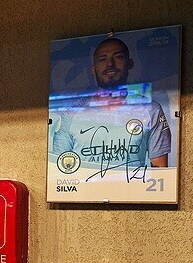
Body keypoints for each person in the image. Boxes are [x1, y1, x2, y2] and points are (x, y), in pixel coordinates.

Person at [51, 37, 171, 168]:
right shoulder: (70, 113)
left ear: (130, 64)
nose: (110, 64)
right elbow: (59, 168)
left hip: (132, 182)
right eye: (102, 59)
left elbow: (160, 169)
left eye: (118, 57)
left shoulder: (151, 109)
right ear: (93, 69)